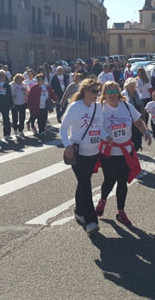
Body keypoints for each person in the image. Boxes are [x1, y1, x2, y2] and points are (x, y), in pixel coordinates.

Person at [96, 81, 152, 225]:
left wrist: (145, 132)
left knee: (122, 181)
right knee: (110, 179)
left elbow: (138, 121)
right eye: (109, 92)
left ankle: (121, 212)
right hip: (108, 151)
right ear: (104, 94)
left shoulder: (126, 106)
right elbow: (95, 127)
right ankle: (102, 200)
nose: (113, 94)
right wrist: (104, 136)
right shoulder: (100, 109)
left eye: (115, 91)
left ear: (119, 92)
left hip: (125, 151)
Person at [61, 78, 107, 235]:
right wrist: (67, 145)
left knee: (83, 184)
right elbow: (63, 128)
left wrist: (107, 136)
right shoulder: (75, 107)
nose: (96, 95)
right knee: (86, 185)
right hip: (78, 153)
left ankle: (79, 211)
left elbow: (101, 128)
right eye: (94, 91)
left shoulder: (98, 107)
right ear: (86, 91)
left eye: (98, 92)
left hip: (93, 152)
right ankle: (91, 221)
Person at [122, 78, 144, 151]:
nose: (132, 88)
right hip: (128, 119)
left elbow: (141, 107)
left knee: (138, 138)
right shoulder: (123, 95)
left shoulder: (137, 95)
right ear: (126, 87)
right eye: (130, 86)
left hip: (137, 117)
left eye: (134, 86)